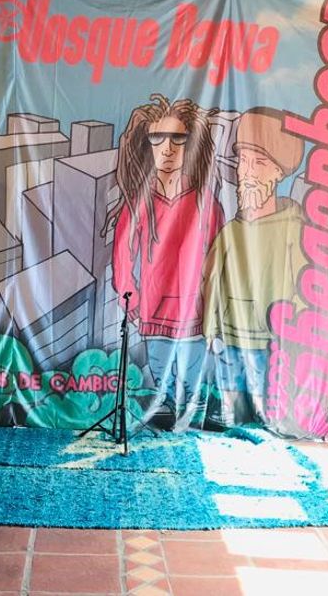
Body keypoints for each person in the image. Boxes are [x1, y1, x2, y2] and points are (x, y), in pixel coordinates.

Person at [106, 94, 225, 430]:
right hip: (154, 304)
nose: (168, 149)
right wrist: (129, 296)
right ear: (146, 145)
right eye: (157, 139)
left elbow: (219, 259)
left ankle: (195, 408)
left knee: (192, 367)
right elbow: (123, 253)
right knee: (160, 366)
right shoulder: (140, 202)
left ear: (191, 145)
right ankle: (165, 405)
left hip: (194, 307)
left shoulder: (205, 204)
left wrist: (215, 306)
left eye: (178, 139)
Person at [202, 107, 306, 426]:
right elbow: (211, 282)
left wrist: (294, 331)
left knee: (263, 400)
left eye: (259, 162)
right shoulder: (230, 233)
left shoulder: (294, 229)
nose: (246, 172)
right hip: (230, 335)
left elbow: (303, 285)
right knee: (230, 399)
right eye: (243, 160)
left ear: (279, 172)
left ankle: (262, 427)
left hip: (268, 338)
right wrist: (210, 329)